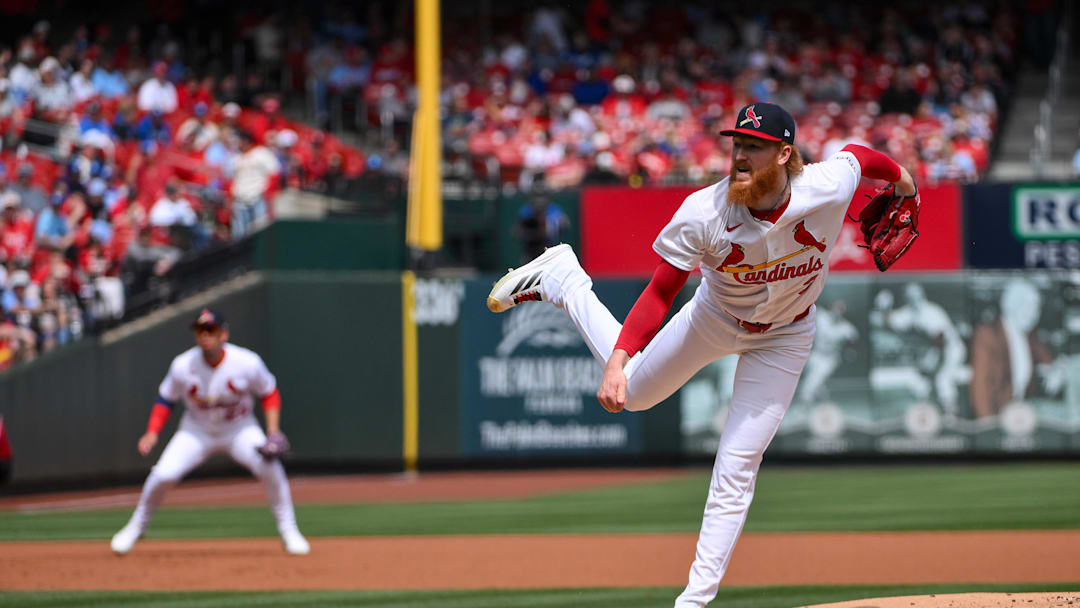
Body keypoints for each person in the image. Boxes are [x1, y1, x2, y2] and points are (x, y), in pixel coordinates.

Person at [486, 102, 919, 607]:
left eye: (753, 147)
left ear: (784, 154)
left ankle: (693, 601)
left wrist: (907, 183)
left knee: (738, 464)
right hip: (713, 319)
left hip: (786, 335)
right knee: (634, 396)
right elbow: (659, 294)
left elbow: (862, 156)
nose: (739, 155)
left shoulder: (825, 185)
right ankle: (565, 280)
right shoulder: (704, 212)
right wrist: (617, 359)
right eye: (736, 144)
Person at [110, 308, 309, 556]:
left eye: (211, 329)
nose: (204, 335)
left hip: (239, 429)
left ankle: (289, 531)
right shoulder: (183, 365)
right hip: (196, 431)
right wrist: (152, 432)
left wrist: (273, 431)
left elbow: (269, 392)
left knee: (271, 469)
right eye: (199, 329)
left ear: (224, 333)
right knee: (162, 475)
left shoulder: (246, 362)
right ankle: (136, 527)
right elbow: (166, 399)